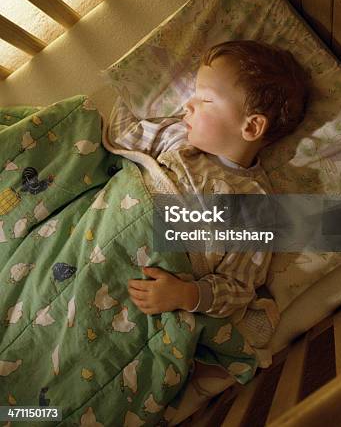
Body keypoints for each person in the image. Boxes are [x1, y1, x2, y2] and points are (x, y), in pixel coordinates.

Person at [105, 40, 309, 366]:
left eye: (205, 99)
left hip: (157, 274)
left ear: (252, 126)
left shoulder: (254, 204)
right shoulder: (177, 137)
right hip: (111, 222)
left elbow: (237, 286)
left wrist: (187, 295)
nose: (188, 105)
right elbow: (120, 138)